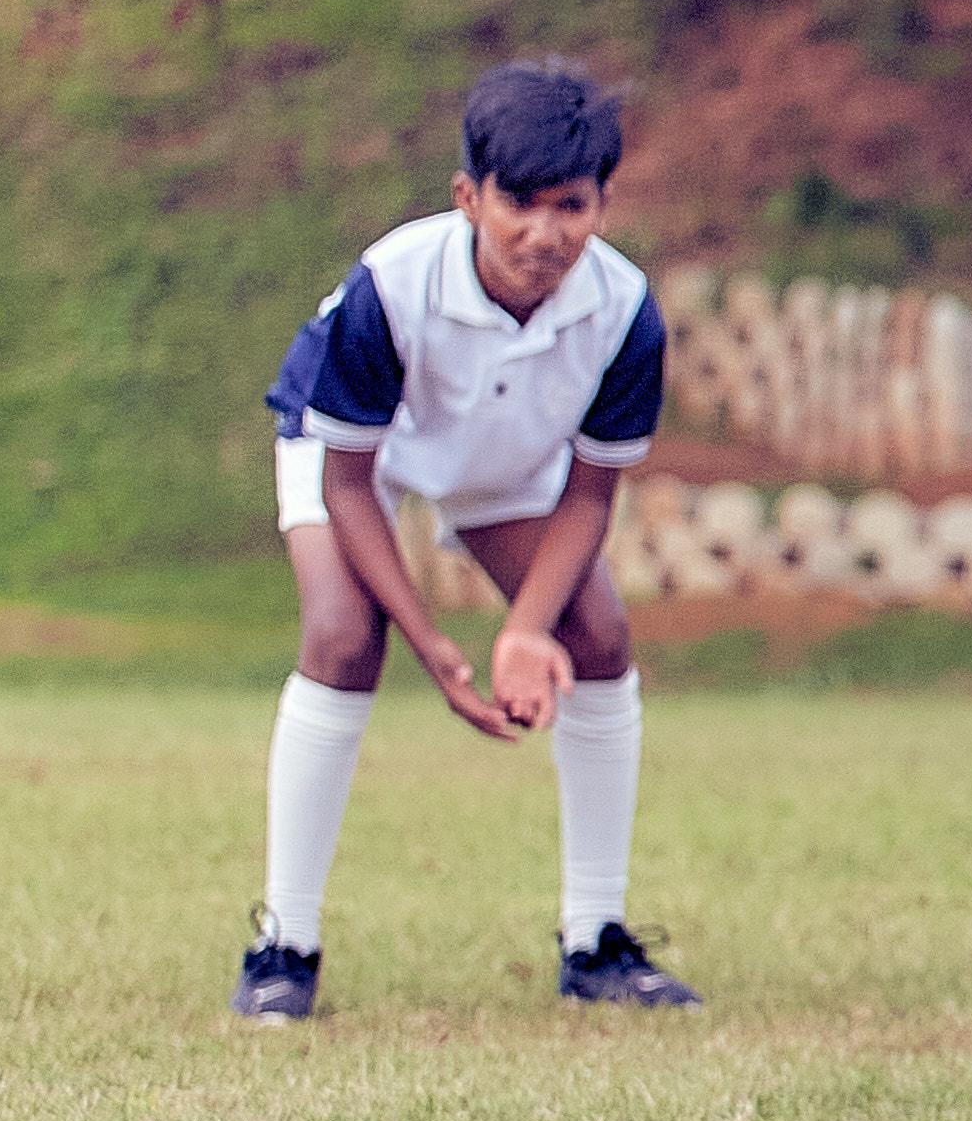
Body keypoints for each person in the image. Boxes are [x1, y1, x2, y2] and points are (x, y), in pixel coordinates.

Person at [236, 62, 694, 1020]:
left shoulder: (623, 312)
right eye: (518, 203)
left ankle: (596, 941)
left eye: (570, 206)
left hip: (506, 460)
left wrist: (526, 632)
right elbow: (351, 484)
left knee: (597, 635)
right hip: (355, 454)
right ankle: (286, 944)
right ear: (468, 198)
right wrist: (436, 648)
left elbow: (588, 494)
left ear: (603, 206)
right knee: (343, 636)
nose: (544, 233)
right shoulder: (392, 285)